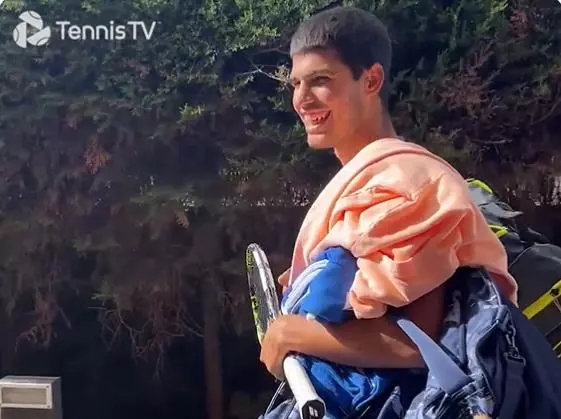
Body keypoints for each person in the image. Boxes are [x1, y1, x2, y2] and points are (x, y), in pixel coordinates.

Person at [258, 5, 519, 403]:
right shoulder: (373, 178)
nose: (302, 100)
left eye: (320, 80)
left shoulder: (406, 181)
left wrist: (292, 333)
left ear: (372, 79)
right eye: (296, 83)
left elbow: (418, 344)